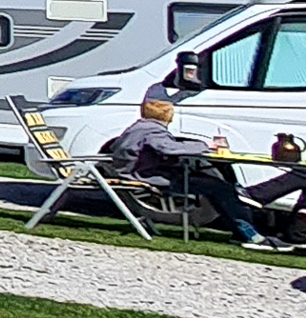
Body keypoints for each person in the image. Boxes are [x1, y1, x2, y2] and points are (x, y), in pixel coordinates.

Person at [111, 99, 284, 251]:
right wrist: (205, 146)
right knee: (221, 189)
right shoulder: (154, 131)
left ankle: (242, 227)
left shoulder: (135, 129)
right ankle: (251, 234)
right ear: (168, 117)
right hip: (149, 178)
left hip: (133, 173)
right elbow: (169, 148)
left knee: (214, 184)